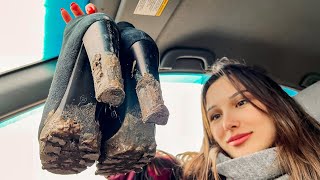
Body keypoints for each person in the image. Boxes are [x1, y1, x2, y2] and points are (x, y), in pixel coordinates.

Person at [180, 58, 320, 179]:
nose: (227, 124)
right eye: (216, 116)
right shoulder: (197, 175)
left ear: (276, 105)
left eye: (241, 102)